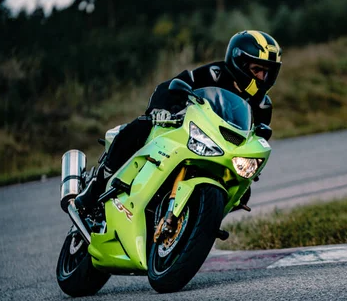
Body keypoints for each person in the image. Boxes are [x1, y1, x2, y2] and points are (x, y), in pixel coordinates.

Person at [75, 30, 283, 212]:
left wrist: (248, 178)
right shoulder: (215, 73)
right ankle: (99, 182)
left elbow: (256, 137)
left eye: (268, 72)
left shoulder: (263, 105)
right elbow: (174, 85)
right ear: (240, 62)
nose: (262, 77)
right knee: (142, 125)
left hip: (222, 151)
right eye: (257, 69)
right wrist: (161, 109)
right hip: (187, 127)